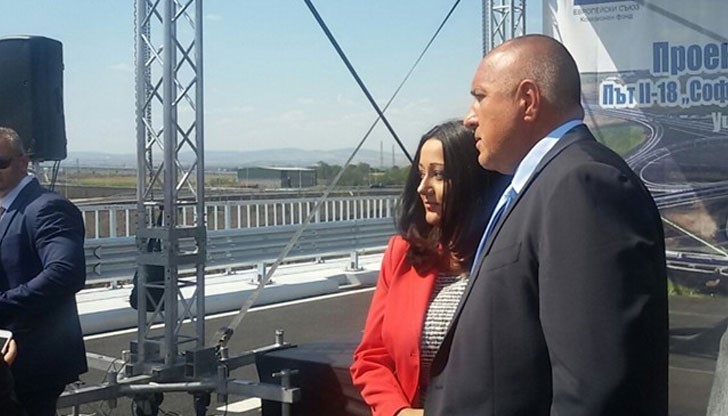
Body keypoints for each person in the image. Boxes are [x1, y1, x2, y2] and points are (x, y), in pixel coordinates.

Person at [424, 35, 668, 415]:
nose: (469, 118)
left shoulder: (581, 184)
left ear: (527, 100)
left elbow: (595, 389)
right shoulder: (544, 183)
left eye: (480, 97)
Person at [350, 120, 507, 416]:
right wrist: (398, 411)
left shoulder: (506, 254)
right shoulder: (402, 254)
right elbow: (371, 356)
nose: (423, 188)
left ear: (473, 179)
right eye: (421, 174)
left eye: (439, 175)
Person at [0, 127, 88, 415]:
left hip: (33, 358)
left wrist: (3, 304)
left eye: (0, 163)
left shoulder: (46, 208)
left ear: (23, 162)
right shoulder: (7, 208)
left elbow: (65, 272)